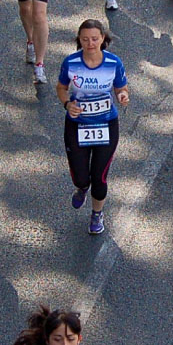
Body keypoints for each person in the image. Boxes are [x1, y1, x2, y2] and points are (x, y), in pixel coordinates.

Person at [56, 20, 129, 236]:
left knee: (100, 176)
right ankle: (81, 187)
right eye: (85, 39)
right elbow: (61, 88)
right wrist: (67, 104)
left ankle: (97, 213)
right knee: (81, 176)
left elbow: (121, 88)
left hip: (106, 124)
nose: (90, 43)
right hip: (77, 125)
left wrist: (123, 96)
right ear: (79, 39)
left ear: (103, 39)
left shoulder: (113, 62)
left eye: (95, 39)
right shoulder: (71, 62)